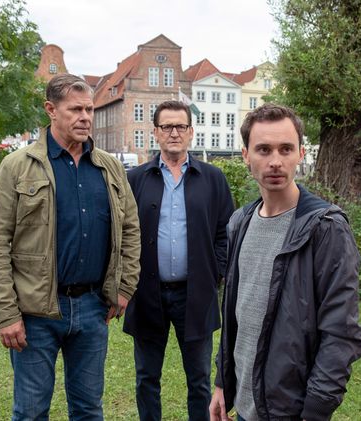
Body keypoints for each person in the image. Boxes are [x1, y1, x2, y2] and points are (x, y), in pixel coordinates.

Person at [0, 74, 141, 420]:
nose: (85, 117)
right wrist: (6, 314)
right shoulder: (18, 167)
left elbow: (130, 230)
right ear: (51, 110)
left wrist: (124, 287)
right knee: (31, 411)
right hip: (35, 313)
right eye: (75, 110)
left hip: (92, 307)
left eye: (89, 109)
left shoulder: (110, 168)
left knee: (88, 410)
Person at [210, 104, 361, 421]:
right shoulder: (240, 222)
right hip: (244, 403)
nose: (275, 161)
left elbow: (341, 332)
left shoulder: (326, 228)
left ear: (301, 154)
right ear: (246, 156)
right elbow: (236, 315)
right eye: (264, 149)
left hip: (292, 409)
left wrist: (316, 409)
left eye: (286, 149)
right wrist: (222, 382)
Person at [123, 100, 234, 420]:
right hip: (147, 293)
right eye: (167, 126)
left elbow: (226, 232)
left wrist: (215, 272)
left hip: (195, 294)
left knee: (199, 379)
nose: (174, 133)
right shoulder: (136, 179)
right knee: (146, 377)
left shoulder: (212, 178)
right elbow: (123, 233)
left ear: (191, 132)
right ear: (155, 133)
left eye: (180, 126)